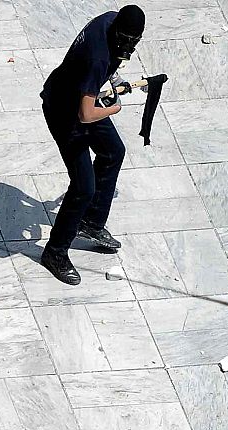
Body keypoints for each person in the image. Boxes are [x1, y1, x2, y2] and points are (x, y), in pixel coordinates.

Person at [39, 5, 146, 285]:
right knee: (83, 186)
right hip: (65, 112)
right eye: (125, 39)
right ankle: (55, 252)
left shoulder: (110, 19)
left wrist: (114, 79)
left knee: (113, 152)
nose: (128, 46)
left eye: (133, 41)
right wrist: (115, 109)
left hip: (81, 97)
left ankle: (91, 223)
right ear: (117, 32)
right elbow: (86, 115)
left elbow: (107, 68)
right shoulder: (97, 58)